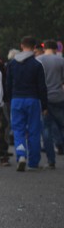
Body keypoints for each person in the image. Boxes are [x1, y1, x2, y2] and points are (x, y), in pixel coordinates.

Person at [5, 36, 48, 171]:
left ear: (21, 46)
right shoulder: (37, 65)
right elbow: (42, 87)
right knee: (34, 131)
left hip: (16, 100)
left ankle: (21, 155)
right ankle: (33, 162)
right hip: (33, 100)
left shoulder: (12, 64)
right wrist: (45, 105)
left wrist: (8, 100)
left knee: (18, 130)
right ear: (35, 47)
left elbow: (8, 84)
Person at [36, 39, 64, 169]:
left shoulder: (38, 60)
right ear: (56, 49)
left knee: (46, 129)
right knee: (62, 124)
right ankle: (61, 145)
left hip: (44, 99)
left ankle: (51, 160)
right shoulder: (61, 60)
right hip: (59, 97)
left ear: (44, 48)